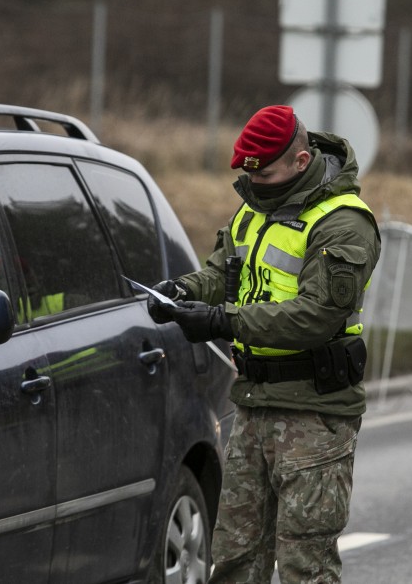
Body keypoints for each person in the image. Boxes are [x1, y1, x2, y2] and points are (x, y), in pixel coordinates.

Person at [148, 105, 380, 583]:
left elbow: (314, 317)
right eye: (250, 176)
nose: (256, 185)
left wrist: (219, 320)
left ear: (300, 162)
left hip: (314, 414)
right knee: (234, 560)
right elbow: (223, 270)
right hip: (254, 405)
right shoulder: (256, 206)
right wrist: (185, 291)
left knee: (305, 567)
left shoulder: (343, 223)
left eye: (267, 173)